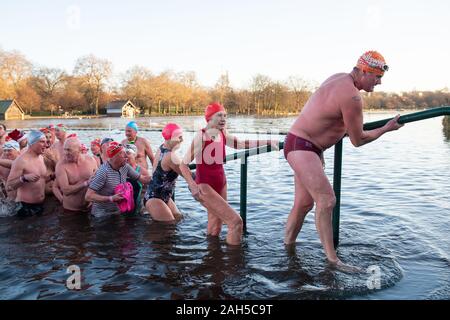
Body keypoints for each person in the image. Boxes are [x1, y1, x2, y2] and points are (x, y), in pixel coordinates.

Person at [283, 51, 403, 271]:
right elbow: (358, 139)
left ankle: (287, 248)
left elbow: (326, 115)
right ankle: (333, 260)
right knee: (327, 200)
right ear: (364, 71)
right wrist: (386, 128)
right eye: (376, 76)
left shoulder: (338, 78)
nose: (379, 82)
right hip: (303, 147)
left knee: (304, 204)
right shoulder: (353, 97)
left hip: (300, 144)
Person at [180, 103, 279, 245]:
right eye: (219, 115)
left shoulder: (222, 133)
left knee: (216, 227)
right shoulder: (201, 136)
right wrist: (192, 185)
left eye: (225, 115)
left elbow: (241, 144)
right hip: (205, 186)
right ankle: (232, 265)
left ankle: (213, 260)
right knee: (236, 222)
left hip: (221, 183)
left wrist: (267, 141)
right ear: (209, 118)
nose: (223, 118)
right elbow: (183, 164)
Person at [85, 142, 151, 218]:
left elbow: (143, 179)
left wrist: (161, 176)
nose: (126, 156)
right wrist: (111, 198)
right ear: (114, 156)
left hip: (118, 213)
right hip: (101, 216)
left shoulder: (125, 167)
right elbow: (88, 196)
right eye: (123, 154)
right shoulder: (103, 172)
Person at [144, 123, 184, 222]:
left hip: (164, 196)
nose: (182, 140)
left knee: (178, 218)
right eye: (180, 137)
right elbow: (189, 176)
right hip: (155, 198)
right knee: (169, 227)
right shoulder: (171, 157)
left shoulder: (162, 147)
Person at [6, 131, 48, 217]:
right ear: (32, 143)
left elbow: (40, 180)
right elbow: (9, 187)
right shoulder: (21, 161)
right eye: (42, 142)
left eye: (46, 142)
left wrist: (51, 177)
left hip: (40, 204)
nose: (46, 145)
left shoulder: (41, 157)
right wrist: (23, 178)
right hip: (25, 206)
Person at [55, 137, 98, 213]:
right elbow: (66, 191)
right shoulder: (61, 166)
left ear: (79, 149)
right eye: (64, 149)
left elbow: (98, 180)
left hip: (90, 207)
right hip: (71, 210)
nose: (65, 153)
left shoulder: (91, 160)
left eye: (69, 150)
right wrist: (86, 183)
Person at [124, 144, 149, 215]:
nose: (125, 156)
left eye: (128, 153)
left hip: (137, 208)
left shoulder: (143, 171)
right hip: (122, 208)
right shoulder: (119, 169)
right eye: (123, 154)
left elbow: (148, 192)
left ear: (135, 155)